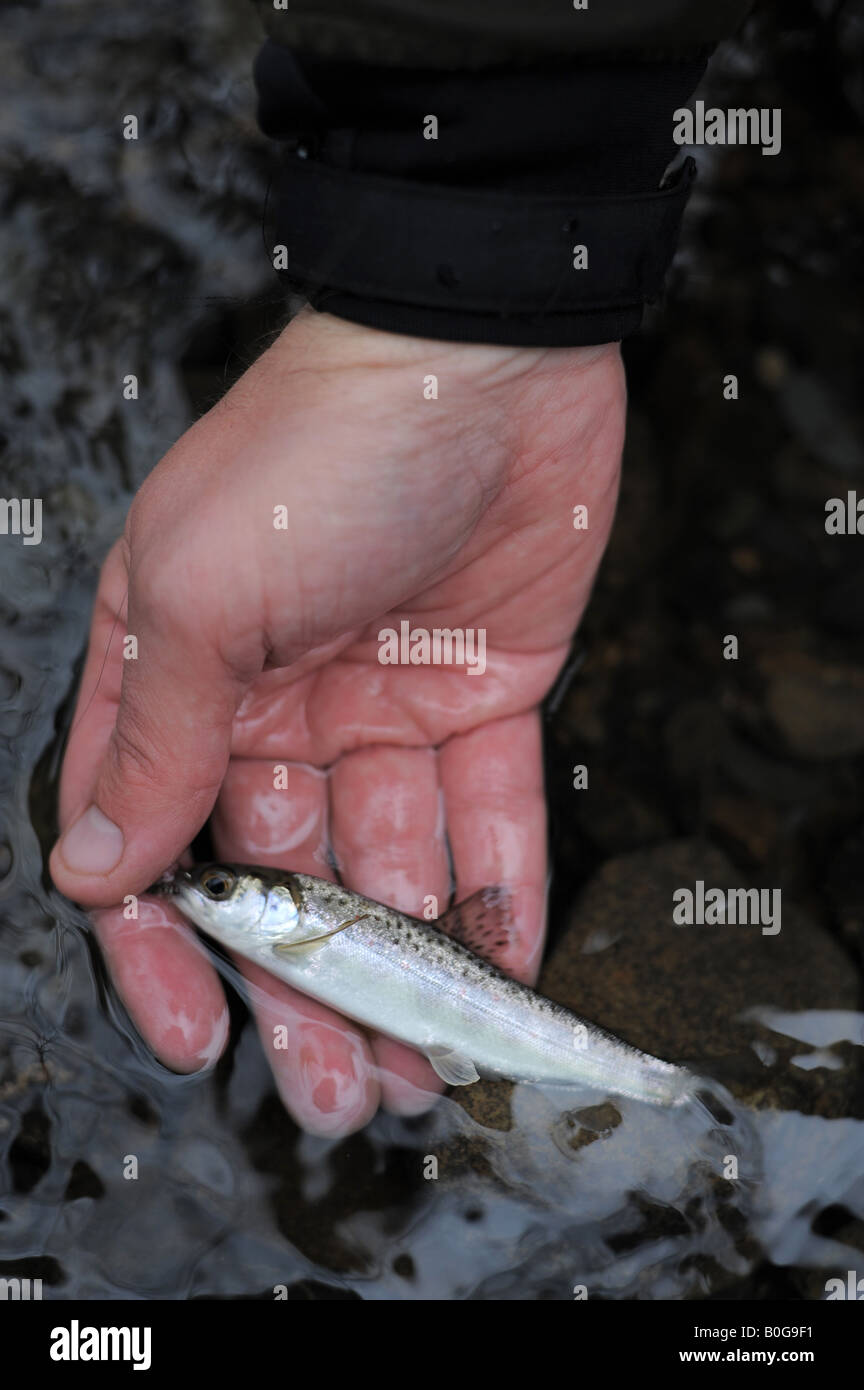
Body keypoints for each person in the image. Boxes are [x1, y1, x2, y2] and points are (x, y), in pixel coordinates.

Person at [50, 0, 754, 1136]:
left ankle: (662, 1086)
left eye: (226, 890)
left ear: (276, 908)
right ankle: (652, 1087)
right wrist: (481, 278)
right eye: (223, 887)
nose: (210, 891)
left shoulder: (292, 913)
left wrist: (470, 253)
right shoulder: (307, 919)